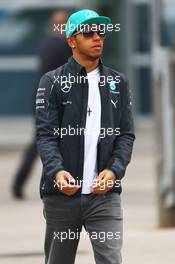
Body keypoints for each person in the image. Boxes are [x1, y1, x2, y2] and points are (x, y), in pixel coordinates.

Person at [36, 9, 135, 264]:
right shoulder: (52, 82)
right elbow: (46, 135)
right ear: (71, 40)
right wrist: (57, 173)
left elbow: (125, 136)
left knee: (111, 259)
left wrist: (113, 171)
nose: (97, 37)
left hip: (104, 197)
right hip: (63, 197)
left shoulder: (118, 82)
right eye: (88, 33)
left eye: (100, 32)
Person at [12, 11, 71, 199]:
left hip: (40, 98)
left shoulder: (45, 44)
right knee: (52, 142)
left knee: (42, 141)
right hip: (54, 101)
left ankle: (20, 183)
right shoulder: (63, 45)